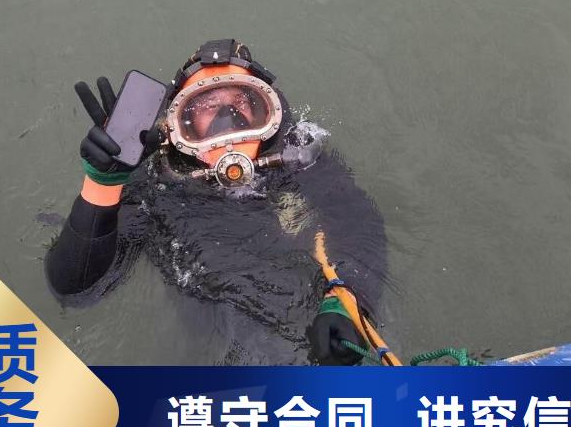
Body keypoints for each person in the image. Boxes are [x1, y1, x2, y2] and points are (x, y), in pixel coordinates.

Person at [46, 39, 387, 365]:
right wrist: (102, 186)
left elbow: (358, 224)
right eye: (207, 106)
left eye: (241, 101)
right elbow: (76, 290)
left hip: (307, 329)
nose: (227, 117)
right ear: (181, 124)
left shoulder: (299, 159)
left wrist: (349, 302)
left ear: (265, 110)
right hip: (212, 347)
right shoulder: (154, 187)